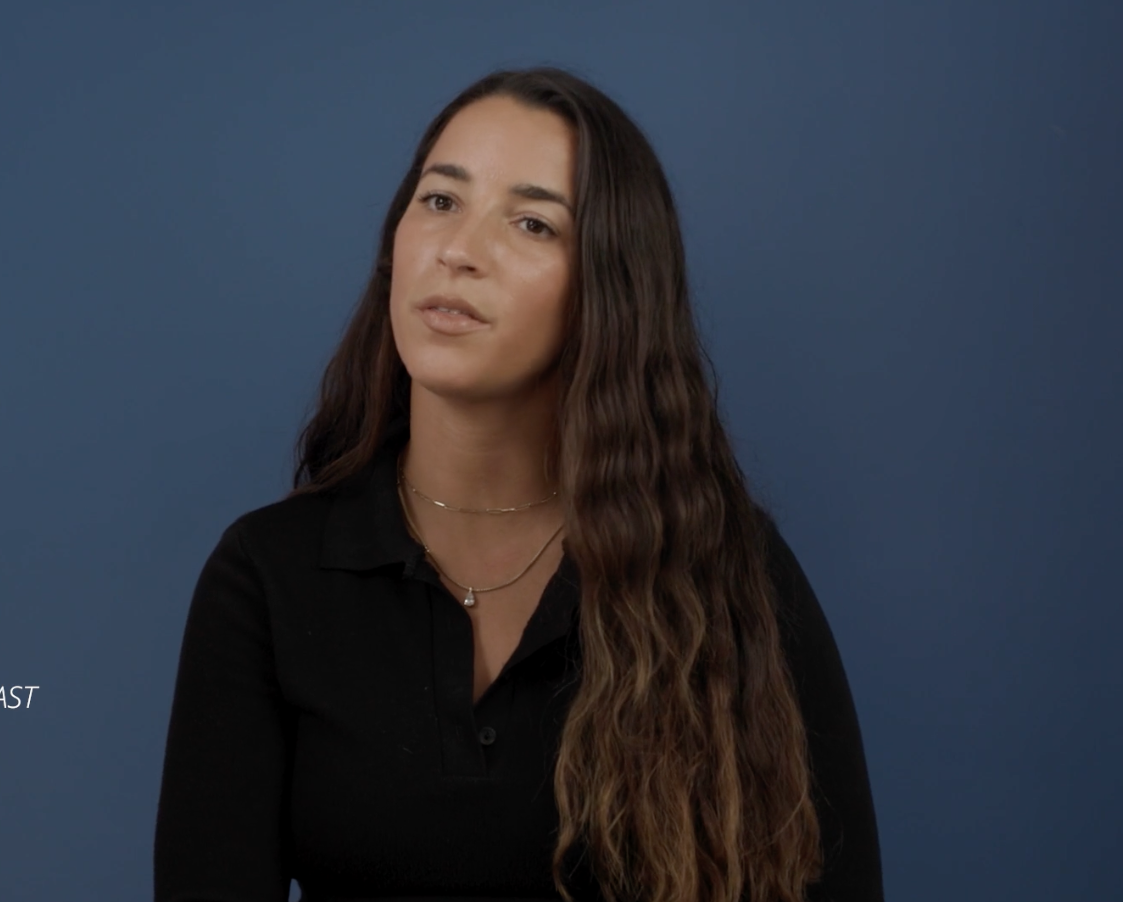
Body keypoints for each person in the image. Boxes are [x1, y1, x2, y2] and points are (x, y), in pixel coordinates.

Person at [152, 66, 883, 902]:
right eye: (439, 200)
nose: (460, 251)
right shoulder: (268, 577)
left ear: (608, 290)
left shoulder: (726, 569)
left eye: (532, 222)